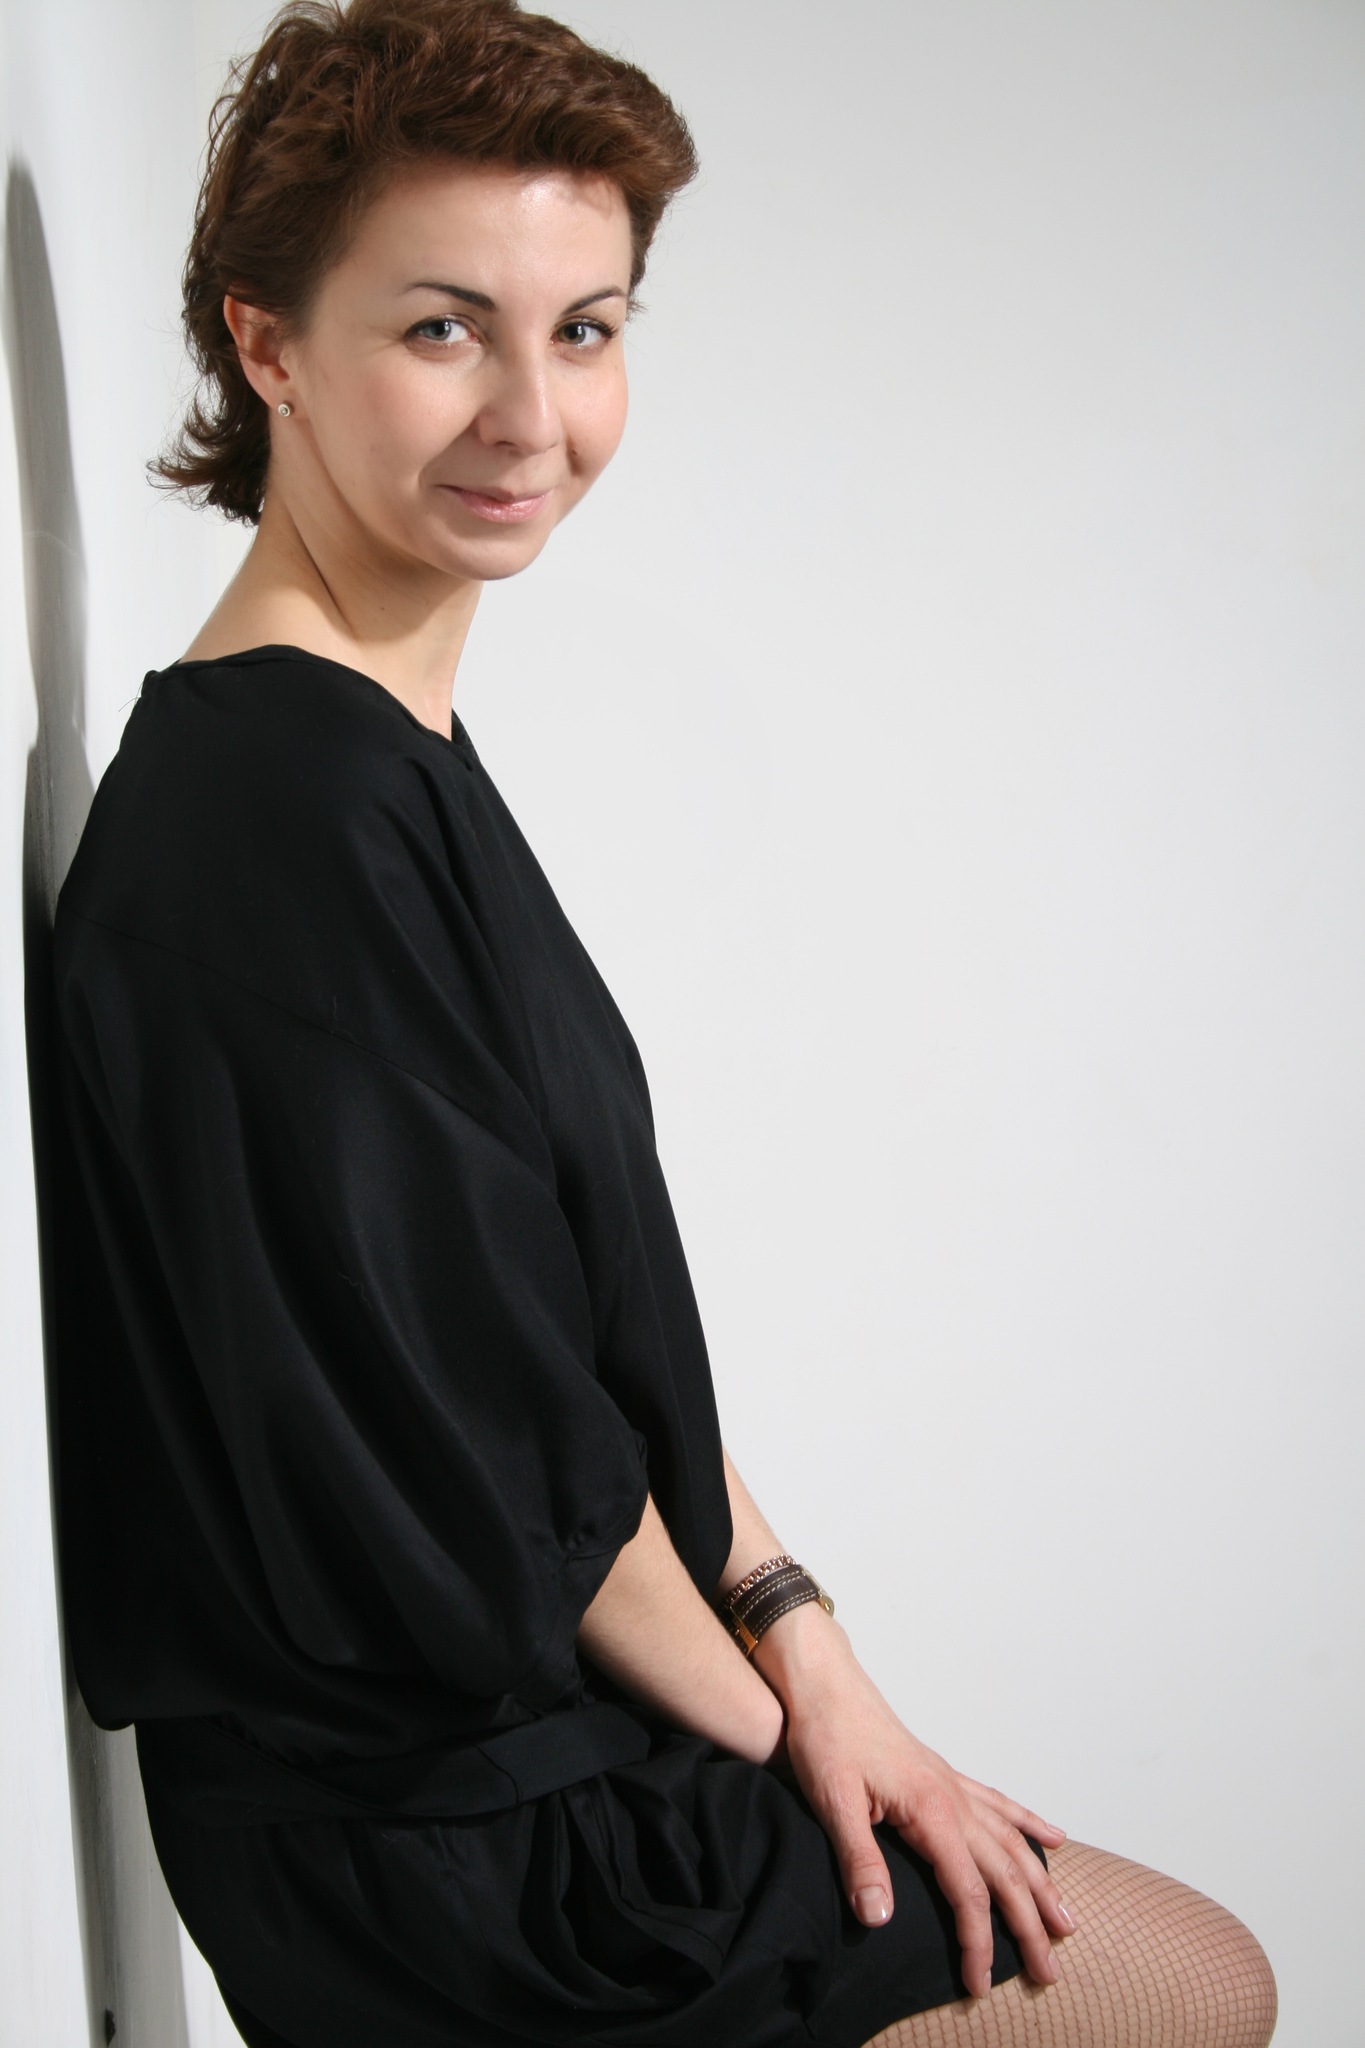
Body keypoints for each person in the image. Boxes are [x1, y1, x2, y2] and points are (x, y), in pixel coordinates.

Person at [47, 3, 1278, 2045]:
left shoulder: (377, 759)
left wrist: (814, 1647)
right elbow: (497, 1454)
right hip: (447, 1824)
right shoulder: (279, 813)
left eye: (587, 329)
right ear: (267, 343)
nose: (530, 415)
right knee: (1177, 1980)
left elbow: (567, 1351)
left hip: (512, 1730)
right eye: (442, 328)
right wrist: (812, 1754)